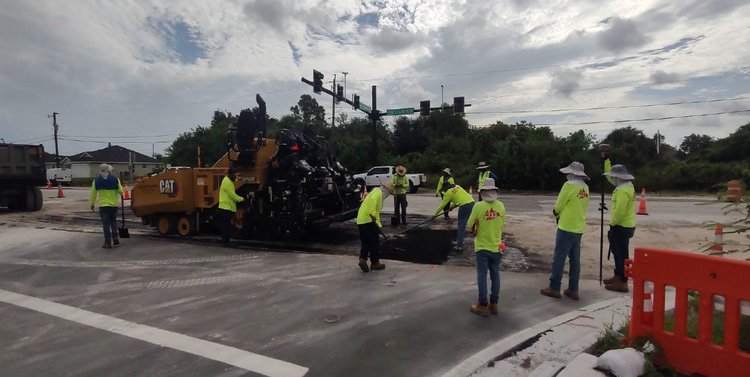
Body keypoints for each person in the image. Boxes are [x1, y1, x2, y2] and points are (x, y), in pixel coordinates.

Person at [540, 162, 590, 300]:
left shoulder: (568, 186)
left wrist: (556, 213)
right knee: (575, 259)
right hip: (579, 227)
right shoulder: (585, 188)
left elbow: (559, 205)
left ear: (572, 174)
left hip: (566, 226)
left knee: (559, 257)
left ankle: (554, 287)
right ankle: (573, 289)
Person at [467, 178, 506, 317]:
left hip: (482, 247)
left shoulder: (478, 206)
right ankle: (494, 304)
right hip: (497, 247)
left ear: (483, 192)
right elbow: (502, 223)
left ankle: (482, 304)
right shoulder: (501, 206)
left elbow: (469, 225)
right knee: (495, 275)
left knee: (482, 275)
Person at [602, 156, 636, 293]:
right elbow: (609, 179)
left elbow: (620, 211)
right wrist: (606, 162)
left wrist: (612, 223)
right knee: (618, 253)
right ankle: (618, 276)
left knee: (621, 254)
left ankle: (622, 281)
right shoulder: (628, 186)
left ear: (619, 178)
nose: (612, 179)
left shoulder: (622, 191)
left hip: (620, 226)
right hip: (627, 225)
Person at [356, 182, 394, 272]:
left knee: (365, 242)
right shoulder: (378, 193)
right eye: (388, 193)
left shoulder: (374, 192)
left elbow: (377, 213)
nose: (388, 195)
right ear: (386, 191)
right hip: (369, 220)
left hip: (361, 220)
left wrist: (379, 225)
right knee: (374, 242)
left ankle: (363, 259)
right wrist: (373, 216)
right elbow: (374, 210)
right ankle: (375, 263)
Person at [89, 163, 123, 249]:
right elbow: (121, 192)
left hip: (103, 206)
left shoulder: (96, 181)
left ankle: (107, 242)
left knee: (106, 224)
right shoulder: (115, 179)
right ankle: (115, 238)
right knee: (113, 222)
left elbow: (93, 194)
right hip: (114, 205)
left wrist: (92, 204)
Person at [434, 181, 475, 251]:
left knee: (461, 225)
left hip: (464, 206)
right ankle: (459, 241)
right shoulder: (457, 186)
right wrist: (452, 207)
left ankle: (459, 245)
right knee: (463, 224)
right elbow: (460, 199)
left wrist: (434, 215)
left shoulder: (448, 193)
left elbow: (442, 205)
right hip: (471, 203)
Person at [219, 167, 245, 247]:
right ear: (231, 174)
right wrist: (242, 199)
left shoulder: (227, 180)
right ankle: (226, 242)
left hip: (226, 206)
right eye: (235, 175)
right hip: (226, 207)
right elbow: (232, 195)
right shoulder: (228, 182)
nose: (236, 177)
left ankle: (226, 241)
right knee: (226, 226)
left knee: (226, 225)